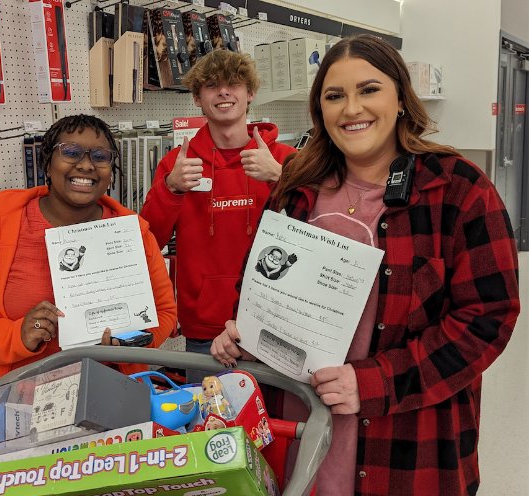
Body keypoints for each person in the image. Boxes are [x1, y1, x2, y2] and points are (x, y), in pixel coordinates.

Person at [210, 35, 520, 495]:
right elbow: (258, 285)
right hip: (298, 428)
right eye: (335, 96)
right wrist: (240, 332)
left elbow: (487, 320)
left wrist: (374, 383)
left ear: (399, 98)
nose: (352, 108)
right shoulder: (298, 189)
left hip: (406, 447)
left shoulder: (459, 189)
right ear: (321, 111)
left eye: (369, 89)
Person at [0, 114, 177, 417]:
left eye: (100, 156)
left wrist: (133, 340)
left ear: (111, 170)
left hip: (106, 405)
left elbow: (164, 314)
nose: (86, 165)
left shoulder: (133, 233)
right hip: (8, 410)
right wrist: (16, 336)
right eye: (70, 152)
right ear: (47, 161)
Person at [140, 49, 295, 383]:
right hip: (205, 332)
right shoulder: (177, 164)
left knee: (280, 427)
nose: (224, 91)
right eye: (212, 86)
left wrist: (280, 178)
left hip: (274, 323)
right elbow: (150, 241)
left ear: (250, 93)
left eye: (234, 83)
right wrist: (171, 188)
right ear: (197, 98)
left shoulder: (284, 159)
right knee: (209, 427)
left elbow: (318, 232)